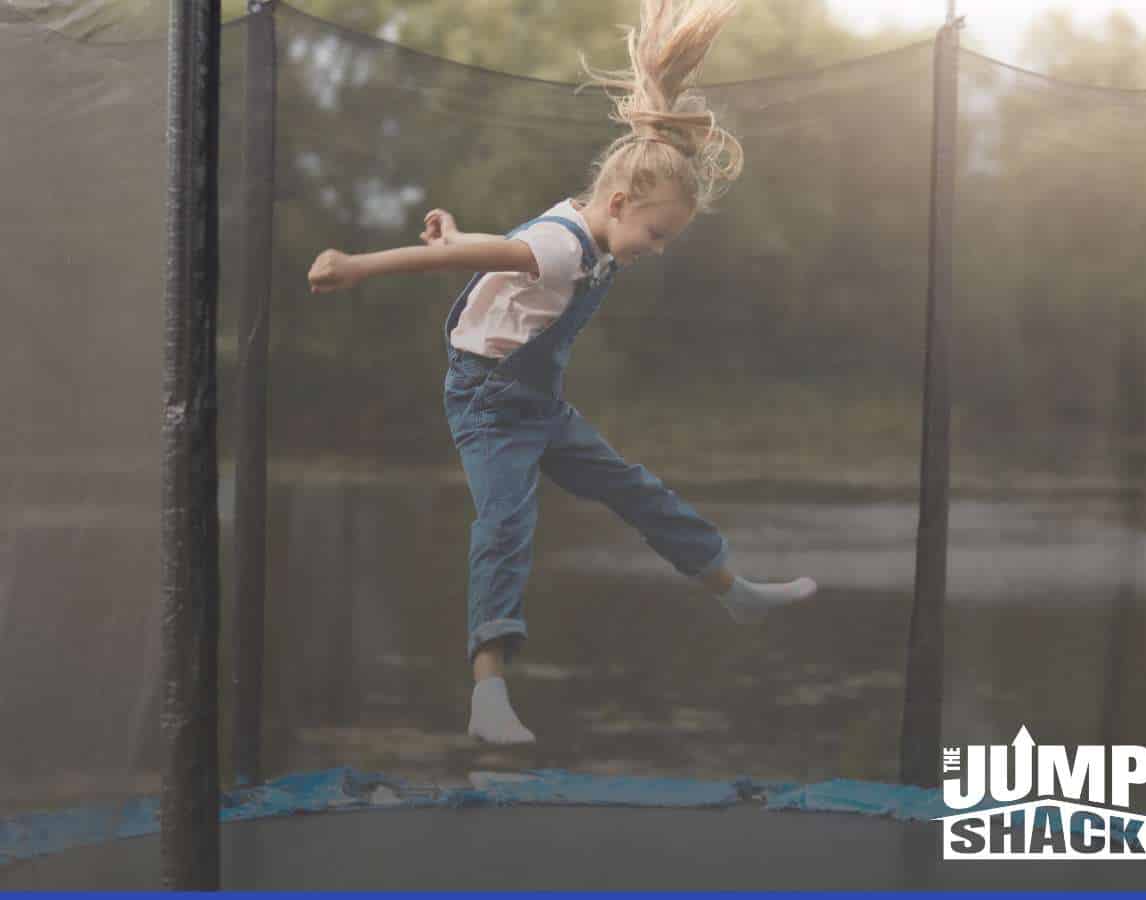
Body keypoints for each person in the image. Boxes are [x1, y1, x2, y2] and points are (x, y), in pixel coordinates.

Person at [307, 0, 817, 746]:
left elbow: (497, 244)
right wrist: (358, 265)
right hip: (487, 405)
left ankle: (730, 589)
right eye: (656, 232)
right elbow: (475, 259)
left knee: (633, 488)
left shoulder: (585, 224)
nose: (660, 246)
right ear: (618, 204)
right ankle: (487, 697)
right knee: (506, 526)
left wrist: (459, 230)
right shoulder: (566, 248)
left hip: (535, 401)